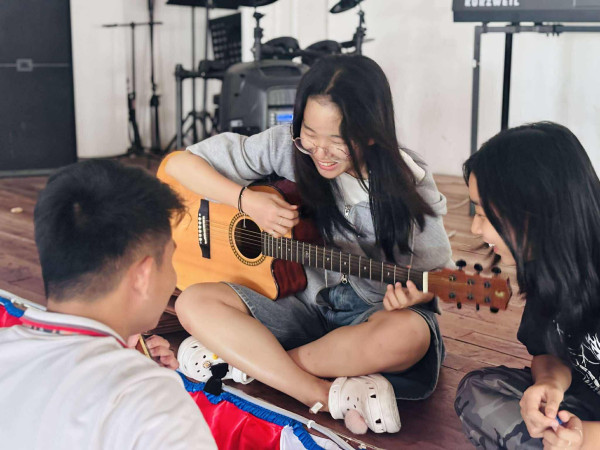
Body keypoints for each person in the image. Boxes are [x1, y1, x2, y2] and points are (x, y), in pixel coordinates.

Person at [166, 54, 453, 434]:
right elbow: (179, 166)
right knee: (192, 301)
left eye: (337, 140)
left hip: (367, 316)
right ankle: (316, 390)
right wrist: (246, 201)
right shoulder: (285, 145)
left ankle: (253, 361)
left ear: (372, 132)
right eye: (310, 135)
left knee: (410, 335)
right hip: (294, 303)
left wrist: (417, 295)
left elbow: (438, 274)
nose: (320, 151)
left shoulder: (408, 183)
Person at [0, 160, 217, 449]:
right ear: (143, 275)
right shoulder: (152, 401)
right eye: (170, 260)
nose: (173, 278)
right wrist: (141, 377)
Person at [455, 122, 600, 449]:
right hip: (586, 407)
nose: (476, 228)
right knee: (479, 391)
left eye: (483, 213)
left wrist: (583, 440)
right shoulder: (549, 264)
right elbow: (549, 352)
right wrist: (549, 384)